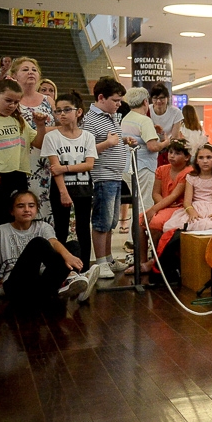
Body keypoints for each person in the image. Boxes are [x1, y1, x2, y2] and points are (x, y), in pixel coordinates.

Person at [0, 190, 91, 311]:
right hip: (17, 287)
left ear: (37, 210)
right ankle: (68, 279)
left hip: (42, 286)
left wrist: (68, 256)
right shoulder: (1, 231)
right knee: (38, 243)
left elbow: (53, 242)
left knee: (73, 246)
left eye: (31, 206)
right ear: (11, 211)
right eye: (20, 206)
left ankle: (69, 280)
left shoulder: (43, 226)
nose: (27, 210)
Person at [0, 78, 41, 231]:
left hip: (18, 175)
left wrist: (41, 125)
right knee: (3, 221)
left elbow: (38, 142)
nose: (12, 105)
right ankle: (3, 246)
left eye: (16, 102)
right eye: (8, 100)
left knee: (20, 220)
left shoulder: (18, 120)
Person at [43, 91, 98, 273]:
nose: (62, 114)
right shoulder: (52, 137)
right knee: (60, 230)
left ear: (78, 112)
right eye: (58, 111)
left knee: (83, 230)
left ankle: (84, 269)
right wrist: (63, 192)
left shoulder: (88, 136)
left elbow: (89, 164)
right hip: (61, 190)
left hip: (83, 189)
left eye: (67, 110)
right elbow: (54, 168)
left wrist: (65, 168)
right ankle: (62, 271)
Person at [83, 77, 130, 279]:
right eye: (115, 100)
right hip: (102, 176)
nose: (119, 104)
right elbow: (85, 149)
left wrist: (123, 141)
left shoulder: (111, 116)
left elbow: (112, 140)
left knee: (111, 221)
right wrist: (108, 144)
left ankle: (109, 258)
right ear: (101, 98)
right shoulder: (90, 120)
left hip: (115, 176)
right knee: (102, 221)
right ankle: (100, 261)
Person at [120, 88, 162, 274]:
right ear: (146, 102)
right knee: (145, 210)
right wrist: (167, 142)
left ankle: (136, 249)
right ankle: (146, 254)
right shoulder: (144, 120)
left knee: (137, 207)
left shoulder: (126, 118)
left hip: (128, 167)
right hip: (144, 168)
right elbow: (152, 146)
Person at [9, 57, 55, 225]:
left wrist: (42, 130)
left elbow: (60, 127)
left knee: (48, 202)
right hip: (22, 157)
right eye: (25, 69)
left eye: (34, 70)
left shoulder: (48, 100)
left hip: (46, 157)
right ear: (14, 75)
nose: (30, 72)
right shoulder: (12, 101)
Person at [134, 139, 192, 272]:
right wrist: (161, 206)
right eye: (170, 152)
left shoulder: (188, 172)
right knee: (138, 221)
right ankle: (142, 260)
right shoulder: (161, 169)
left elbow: (174, 196)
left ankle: (156, 262)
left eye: (177, 153)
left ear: (187, 157)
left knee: (155, 223)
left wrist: (156, 208)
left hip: (179, 207)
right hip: (164, 206)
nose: (172, 156)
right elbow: (155, 193)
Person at [162, 143, 212, 237]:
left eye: (209, 157)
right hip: (196, 208)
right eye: (201, 158)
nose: (205, 161)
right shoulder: (191, 177)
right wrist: (191, 212)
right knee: (187, 225)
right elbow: (187, 202)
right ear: (196, 160)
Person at [148, 83, 183, 165]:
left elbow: (175, 137)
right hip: (150, 147)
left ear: (167, 98)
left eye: (162, 98)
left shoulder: (176, 112)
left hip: (168, 148)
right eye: (155, 98)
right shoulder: (147, 110)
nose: (158, 101)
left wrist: (164, 144)